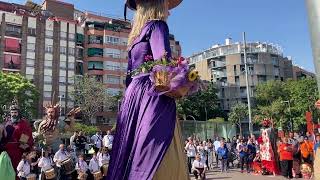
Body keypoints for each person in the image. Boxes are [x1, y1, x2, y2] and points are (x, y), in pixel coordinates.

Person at [106, 0, 188, 179]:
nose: (169, 12)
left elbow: (129, 77)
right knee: (156, 139)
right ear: (157, 5)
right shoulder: (158, 26)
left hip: (132, 95)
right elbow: (162, 62)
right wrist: (182, 81)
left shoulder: (134, 37)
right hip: (151, 91)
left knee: (130, 146)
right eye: (166, 5)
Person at [4, 100, 33, 172]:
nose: (13, 114)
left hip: (18, 152)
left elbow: (25, 138)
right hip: (7, 151)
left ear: (18, 113)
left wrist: (24, 151)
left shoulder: (23, 124)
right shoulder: (7, 123)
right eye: (12, 112)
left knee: (17, 171)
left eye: (15, 112)